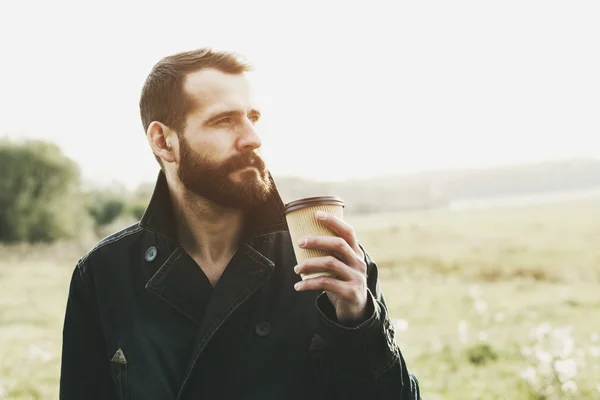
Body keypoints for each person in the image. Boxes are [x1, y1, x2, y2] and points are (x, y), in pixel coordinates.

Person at [59, 48, 421, 400]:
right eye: (224, 120)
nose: (253, 138)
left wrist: (358, 321)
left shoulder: (329, 261)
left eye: (253, 118)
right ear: (163, 141)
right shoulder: (104, 275)